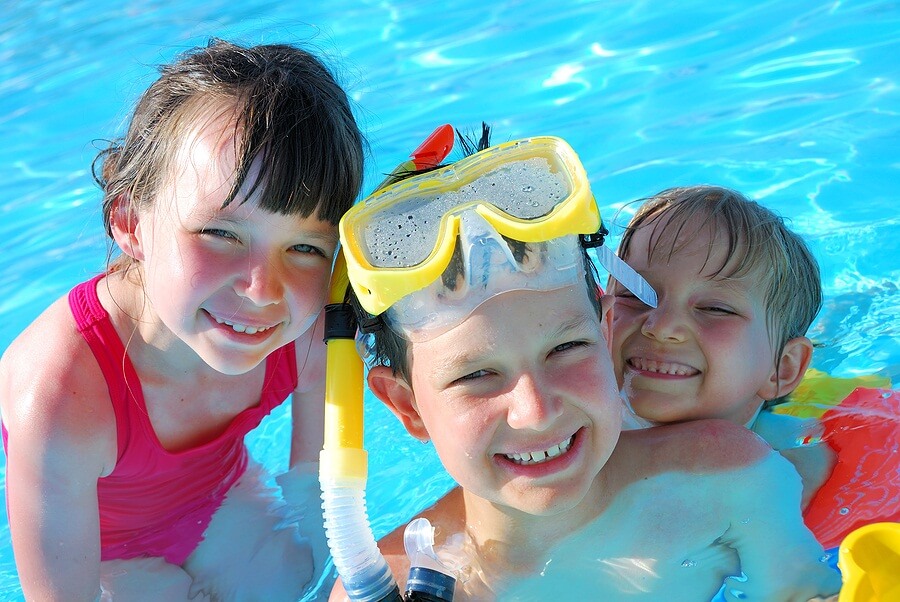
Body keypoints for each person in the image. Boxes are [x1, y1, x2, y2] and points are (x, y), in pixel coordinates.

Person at [330, 134, 840, 600]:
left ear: (606, 331)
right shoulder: (381, 586)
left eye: (566, 349)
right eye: (478, 376)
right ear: (406, 405)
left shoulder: (726, 476)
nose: (535, 411)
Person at [0, 39, 364, 601]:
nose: (262, 289)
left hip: (222, 503)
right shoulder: (60, 391)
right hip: (103, 560)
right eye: (221, 234)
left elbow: (325, 503)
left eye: (305, 249)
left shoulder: (311, 332)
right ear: (130, 221)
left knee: (291, 582)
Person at [608, 186, 835, 509]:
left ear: (781, 368)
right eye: (634, 295)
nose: (660, 327)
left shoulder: (790, 469)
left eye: (715, 308)